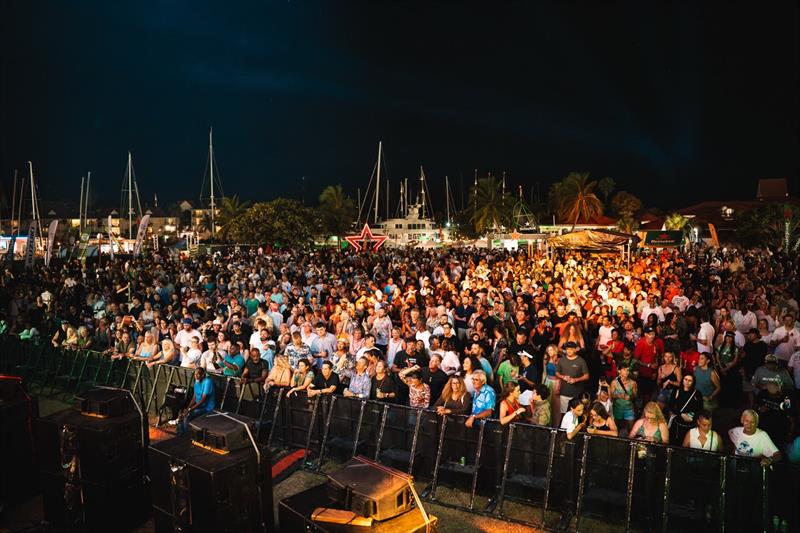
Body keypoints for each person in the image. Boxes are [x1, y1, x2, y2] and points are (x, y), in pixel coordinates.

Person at [174, 367, 215, 433]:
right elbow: (194, 398)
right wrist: (187, 408)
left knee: (186, 416)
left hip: (207, 408)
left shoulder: (208, 381)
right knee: (181, 414)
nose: (196, 376)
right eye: (195, 374)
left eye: (198, 374)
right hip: (198, 406)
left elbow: (203, 400)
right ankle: (180, 434)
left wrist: (190, 409)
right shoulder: (197, 382)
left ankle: (186, 435)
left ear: (203, 375)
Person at [667, 374, 703, 444]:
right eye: (685, 379)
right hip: (677, 424)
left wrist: (692, 416)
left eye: (690, 380)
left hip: (690, 424)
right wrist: (681, 414)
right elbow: (671, 406)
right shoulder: (676, 391)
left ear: (693, 382)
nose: (687, 382)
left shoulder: (697, 394)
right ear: (682, 380)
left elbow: (700, 409)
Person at [555, 342, 589, 414]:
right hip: (564, 392)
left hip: (577, 394)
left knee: (577, 413)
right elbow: (557, 373)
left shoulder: (581, 361)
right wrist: (563, 377)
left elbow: (586, 376)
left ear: (575, 350)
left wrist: (576, 380)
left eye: (571, 349)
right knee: (564, 413)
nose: (569, 351)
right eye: (567, 349)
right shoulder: (561, 360)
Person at [611, 366, 637, 435]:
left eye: (628, 370)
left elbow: (635, 396)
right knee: (617, 428)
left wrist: (630, 397)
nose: (627, 372)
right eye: (625, 370)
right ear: (619, 371)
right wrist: (618, 396)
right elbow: (611, 396)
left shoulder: (633, 383)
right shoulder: (614, 383)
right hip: (617, 408)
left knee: (631, 428)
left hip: (629, 409)